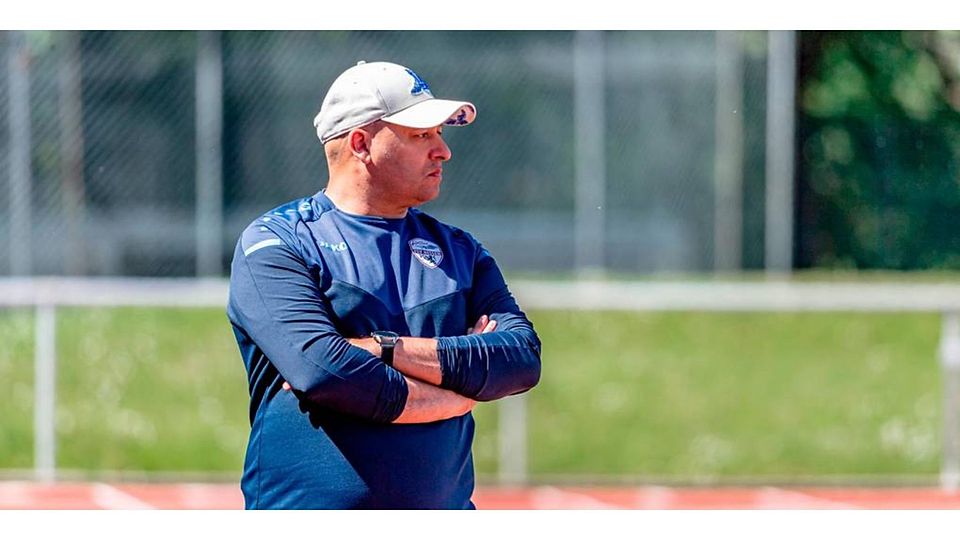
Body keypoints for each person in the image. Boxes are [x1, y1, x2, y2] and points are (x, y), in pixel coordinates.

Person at [226, 61, 542, 509]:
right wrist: (454, 397)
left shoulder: (460, 250)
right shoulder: (277, 242)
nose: (443, 151)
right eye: (421, 135)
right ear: (361, 144)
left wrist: (381, 350)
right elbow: (322, 371)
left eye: (440, 134)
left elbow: (520, 360)